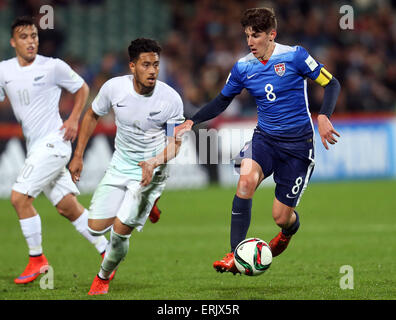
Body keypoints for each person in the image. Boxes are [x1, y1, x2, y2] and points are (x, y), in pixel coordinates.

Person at [175, 8, 341, 274]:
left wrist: (324, 116)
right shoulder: (243, 67)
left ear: (272, 35)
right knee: (246, 180)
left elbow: (331, 84)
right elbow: (222, 100)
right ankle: (234, 254)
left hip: (298, 147)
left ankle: (288, 232)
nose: (250, 42)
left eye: (256, 35)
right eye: (247, 36)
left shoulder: (295, 56)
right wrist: (193, 120)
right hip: (265, 139)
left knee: (281, 217)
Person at [69, 38, 185, 295]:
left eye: (155, 64)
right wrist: (78, 155)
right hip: (120, 164)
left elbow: (175, 145)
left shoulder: (171, 99)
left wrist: (154, 162)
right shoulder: (114, 88)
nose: (153, 70)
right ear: (132, 66)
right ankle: (147, 207)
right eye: (146, 65)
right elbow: (91, 115)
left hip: (152, 171)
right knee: (93, 227)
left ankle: (103, 277)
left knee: (120, 232)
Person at [0, 17, 110, 284]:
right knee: (67, 207)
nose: (30, 41)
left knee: (19, 198)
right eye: (24, 37)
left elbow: (82, 88)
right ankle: (108, 252)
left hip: (54, 143)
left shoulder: (52, 67)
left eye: (34, 36)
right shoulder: (4, 70)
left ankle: (37, 259)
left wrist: (73, 119)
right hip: (35, 147)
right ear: (13, 42)